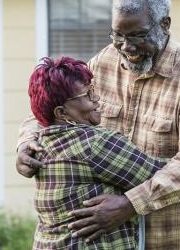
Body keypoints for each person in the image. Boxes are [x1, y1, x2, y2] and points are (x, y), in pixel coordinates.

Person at [17, 0, 180, 249]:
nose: (126, 47)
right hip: (123, 239)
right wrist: (27, 143)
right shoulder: (104, 62)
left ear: (165, 25)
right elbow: (55, 105)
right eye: (117, 35)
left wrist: (129, 204)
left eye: (137, 35)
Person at [27, 56, 169, 249]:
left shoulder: (39, 142)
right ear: (62, 113)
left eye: (92, 90)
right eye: (86, 96)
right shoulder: (94, 143)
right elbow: (164, 176)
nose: (96, 99)